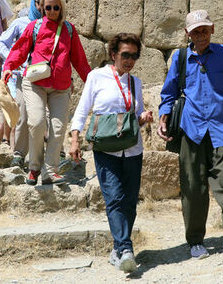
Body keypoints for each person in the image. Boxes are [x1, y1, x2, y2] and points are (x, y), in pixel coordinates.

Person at [157, 10, 223, 259]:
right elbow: (169, 92)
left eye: (204, 30)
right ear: (187, 34)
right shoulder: (180, 58)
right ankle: (195, 241)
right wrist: (163, 116)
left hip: (222, 127)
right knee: (193, 187)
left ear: (212, 29)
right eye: (195, 31)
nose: (200, 35)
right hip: (191, 129)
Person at [69, 33, 154, 273]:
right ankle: (126, 249)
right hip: (106, 150)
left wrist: (142, 118)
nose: (129, 60)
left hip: (133, 149)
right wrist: (75, 140)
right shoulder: (96, 77)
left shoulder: (135, 82)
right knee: (114, 198)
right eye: (125, 55)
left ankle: (117, 249)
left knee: (129, 202)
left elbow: (131, 119)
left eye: (134, 56)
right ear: (113, 54)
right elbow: (82, 110)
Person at [2, 0, 91, 185]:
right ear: (42, 8)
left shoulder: (69, 30)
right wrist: (8, 66)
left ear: (61, 9)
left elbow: (79, 60)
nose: (51, 11)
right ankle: (34, 168)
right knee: (36, 122)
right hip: (35, 84)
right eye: (47, 7)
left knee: (58, 129)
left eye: (55, 7)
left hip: (61, 87)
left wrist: (92, 81)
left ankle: (50, 171)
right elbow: (19, 49)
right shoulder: (34, 27)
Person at [0, 0, 47, 168]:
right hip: (22, 77)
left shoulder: (52, 25)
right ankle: (18, 155)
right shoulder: (20, 23)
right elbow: (1, 44)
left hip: (45, 78)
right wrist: (14, 60)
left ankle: (41, 158)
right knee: (22, 116)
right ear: (34, 3)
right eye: (39, 2)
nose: (42, 6)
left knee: (43, 118)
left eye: (45, 2)